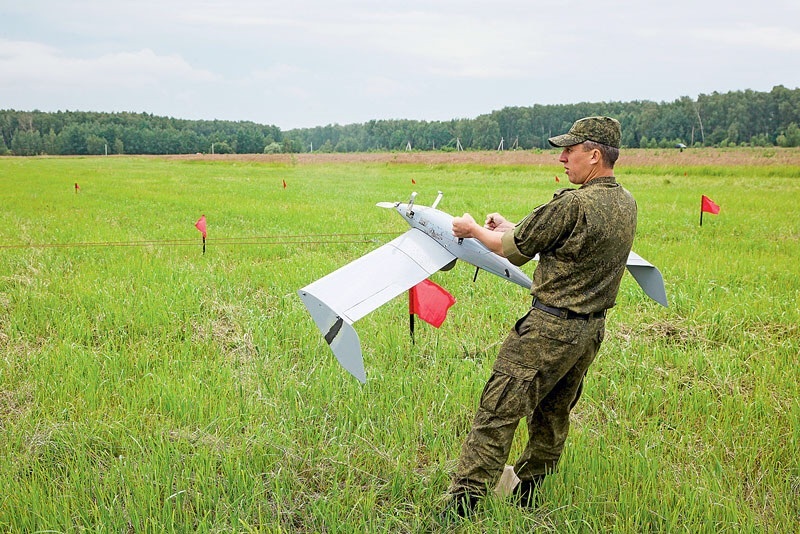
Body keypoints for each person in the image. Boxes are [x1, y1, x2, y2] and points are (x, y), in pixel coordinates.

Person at [442, 116, 637, 518]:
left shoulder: (574, 202)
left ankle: (462, 507)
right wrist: (511, 228)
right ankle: (527, 495)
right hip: (589, 332)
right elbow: (561, 244)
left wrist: (474, 229)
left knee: (497, 413)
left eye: (570, 151)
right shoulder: (625, 202)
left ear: (595, 155)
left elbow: (508, 249)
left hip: (547, 331)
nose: (563, 158)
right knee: (552, 416)